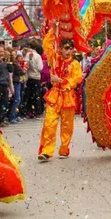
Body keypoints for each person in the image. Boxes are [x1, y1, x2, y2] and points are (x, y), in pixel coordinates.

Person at [38, 28, 83, 162]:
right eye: (65, 48)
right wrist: (53, 29)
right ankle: (47, 151)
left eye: (70, 49)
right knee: (49, 123)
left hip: (68, 96)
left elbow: (76, 79)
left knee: (67, 126)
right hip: (54, 95)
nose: (68, 51)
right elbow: (47, 44)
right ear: (61, 49)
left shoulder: (75, 64)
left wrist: (62, 81)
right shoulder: (55, 59)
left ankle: (64, 148)